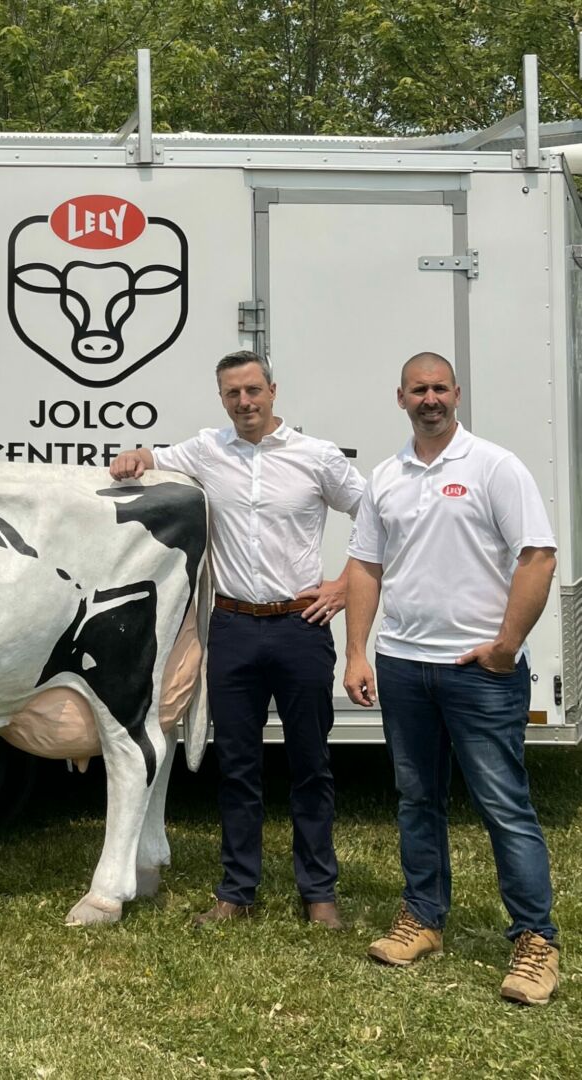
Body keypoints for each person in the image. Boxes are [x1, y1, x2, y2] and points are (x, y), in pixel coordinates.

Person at [111, 349, 363, 929]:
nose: (244, 403)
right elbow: (153, 457)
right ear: (222, 399)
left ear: (274, 390)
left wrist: (347, 584)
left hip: (301, 627)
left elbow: (376, 513)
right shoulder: (207, 449)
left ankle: (319, 893)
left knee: (311, 764)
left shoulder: (316, 456)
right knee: (239, 767)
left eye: (253, 390)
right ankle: (237, 892)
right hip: (230, 628)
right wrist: (133, 456)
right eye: (233, 394)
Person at [344, 351, 559, 1005]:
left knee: (504, 807)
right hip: (404, 666)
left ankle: (535, 943)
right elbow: (365, 568)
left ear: (456, 394)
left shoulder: (494, 466)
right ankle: (423, 919)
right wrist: (357, 652)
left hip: (479, 675)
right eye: (418, 390)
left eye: (439, 387)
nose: (430, 398)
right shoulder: (386, 477)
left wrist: (506, 647)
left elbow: (538, 556)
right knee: (416, 800)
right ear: (401, 398)